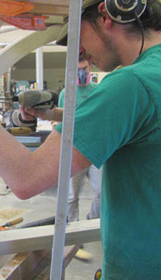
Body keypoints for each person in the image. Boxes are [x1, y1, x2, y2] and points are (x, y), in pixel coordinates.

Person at [0, 0, 161, 280]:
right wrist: (55, 116)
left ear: (108, 14)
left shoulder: (132, 83)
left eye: (78, 32)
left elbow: (26, 178)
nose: (76, 51)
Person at [58, 57, 102, 221]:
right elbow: (60, 122)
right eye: (78, 70)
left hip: (96, 151)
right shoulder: (66, 93)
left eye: (84, 68)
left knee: (100, 193)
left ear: (91, 67)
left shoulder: (98, 90)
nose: (82, 72)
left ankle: (92, 224)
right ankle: (72, 229)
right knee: (71, 197)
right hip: (74, 151)